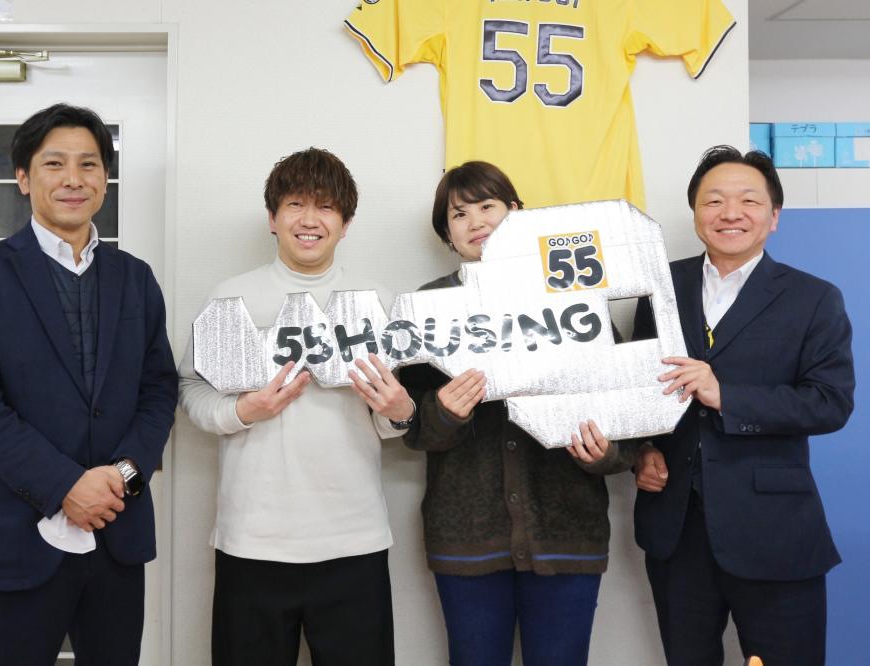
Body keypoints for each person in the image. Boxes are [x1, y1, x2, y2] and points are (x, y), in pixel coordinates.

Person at [0, 103, 178, 665]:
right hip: (18, 535)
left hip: (117, 535)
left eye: (89, 164)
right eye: (54, 164)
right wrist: (67, 485)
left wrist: (121, 477)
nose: (74, 178)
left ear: (105, 179)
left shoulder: (136, 278)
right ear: (24, 178)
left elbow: (158, 390)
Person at [178, 147, 413, 666]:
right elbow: (192, 390)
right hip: (252, 541)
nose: (310, 220)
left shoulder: (378, 302)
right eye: (295, 205)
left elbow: (395, 421)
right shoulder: (232, 298)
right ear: (272, 218)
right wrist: (244, 411)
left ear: (345, 224)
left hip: (354, 540)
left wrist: (399, 409)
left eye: (326, 207)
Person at [398, 161, 634, 666]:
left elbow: (628, 412)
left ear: (516, 212)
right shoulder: (426, 307)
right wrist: (443, 413)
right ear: (447, 233)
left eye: (488, 206)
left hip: (566, 531)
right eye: (459, 214)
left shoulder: (575, 293)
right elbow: (410, 427)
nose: (476, 221)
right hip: (467, 539)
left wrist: (605, 454)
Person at [633, 146, 855, 665]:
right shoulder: (658, 287)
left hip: (775, 531)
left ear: (774, 216)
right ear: (695, 213)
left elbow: (829, 403)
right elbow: (635, 389)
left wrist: (725, 395)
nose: (730, 212)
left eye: (749, 200)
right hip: (676, 531)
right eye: (714, 200)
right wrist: (640, 451)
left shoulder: (814, 298)